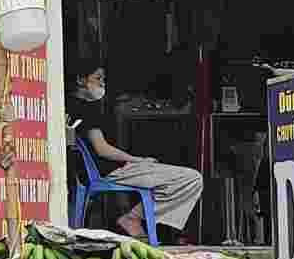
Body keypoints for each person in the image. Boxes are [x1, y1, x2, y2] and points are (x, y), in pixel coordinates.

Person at [66, 59, 204, 239]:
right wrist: (137, 160)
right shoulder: (86, 110)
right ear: (81, 80)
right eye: (98, 78)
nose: (102, 83)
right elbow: (102, 149)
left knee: (185, 178)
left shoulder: (69, 106)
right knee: (191, 178)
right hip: (113, 171)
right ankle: (133, 217)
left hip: (102, 171)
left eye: (103, 79)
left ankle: (135, 217)